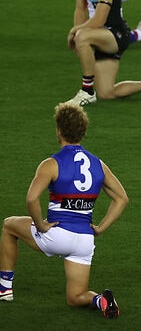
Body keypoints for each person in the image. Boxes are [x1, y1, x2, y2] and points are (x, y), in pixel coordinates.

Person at [0, 103, 128, 318]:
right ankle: (100, 300)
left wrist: (40, 225)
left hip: (56, 235)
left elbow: (32, 198)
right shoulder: (98, 164)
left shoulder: (51, 164)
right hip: (85, 241)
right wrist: (101, 228)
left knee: (9, 225)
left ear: (59, 130)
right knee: (75, 296)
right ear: (83, 132)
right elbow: (122, 198)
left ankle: (4, 289)